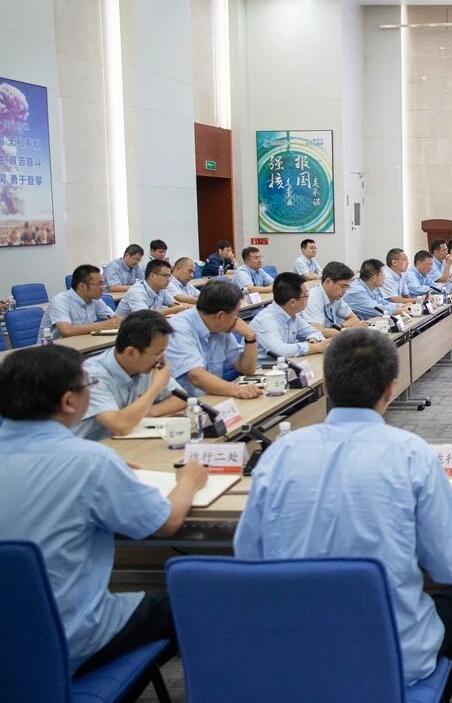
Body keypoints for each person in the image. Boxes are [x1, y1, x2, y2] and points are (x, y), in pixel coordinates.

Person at [235, 328, 452, 699]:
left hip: (295, 652)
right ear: (391, 389)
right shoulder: (411, 454)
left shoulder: (280, 454)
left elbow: (249, 558)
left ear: (325, 385)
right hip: (389, 655)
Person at [0, 345, 208, 677]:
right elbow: (167, 522)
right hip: (65, 640)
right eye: (89, 386)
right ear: (69, 402)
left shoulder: (89, 460)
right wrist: (188, 481)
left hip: (10, 638)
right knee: (197, 601)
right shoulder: (91, 461)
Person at [77, 311, 185, 441]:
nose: (162, 359)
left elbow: (181, 398)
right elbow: (119, 426)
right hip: (90, 448)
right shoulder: (91, 376)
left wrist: (147, 412)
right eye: (158, 353)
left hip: (126, 444)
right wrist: (156, 387)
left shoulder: (145, 364)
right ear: (131, 353)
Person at [165, 282, 262, 399]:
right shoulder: (178, 329)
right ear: (220, 316)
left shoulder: (220, 327)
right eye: (235, 315)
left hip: (214, 399)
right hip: (185, 405)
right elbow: (196, 377)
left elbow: (247, 370)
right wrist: (238, 390)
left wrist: (250, 337)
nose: (237, 319)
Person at [251, 273, 328, 359]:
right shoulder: (265, 320)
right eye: (305, 295)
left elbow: (315, 332)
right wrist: (315, 347)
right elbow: (279, 351)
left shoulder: (291, 313)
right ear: (292, 302)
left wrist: (311, 342)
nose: (308, 298)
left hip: (287, 362)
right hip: (265, 366)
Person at [39, 265, 121, 342]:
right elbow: (66, 331)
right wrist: (103, 325)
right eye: (99, 284)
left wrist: (117, 321)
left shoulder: (95, 300)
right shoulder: (60, 301)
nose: (103, 288)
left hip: (83, 343)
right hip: (53, 348)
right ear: (82, 286)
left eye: (103, 284)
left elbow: (116, 318)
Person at [303, 261, 362, 336]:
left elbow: (354, 319)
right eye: (343, 286)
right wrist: (348, 331)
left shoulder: (335, 297)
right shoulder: (313, 298)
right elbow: (317, 331)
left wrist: (339, 327)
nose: (345, 291)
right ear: (328, 281)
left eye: (347, 287)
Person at [115, 259, 188, 318]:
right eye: (165, 276)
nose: (169, 280)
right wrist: (172, 310)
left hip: (148, 325)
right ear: (152, 276)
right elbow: (144, 315)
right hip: (125, 329)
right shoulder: (137, 292)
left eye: (169, 276)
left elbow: (175, 304)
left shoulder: (161, 289)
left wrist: (190, 307)